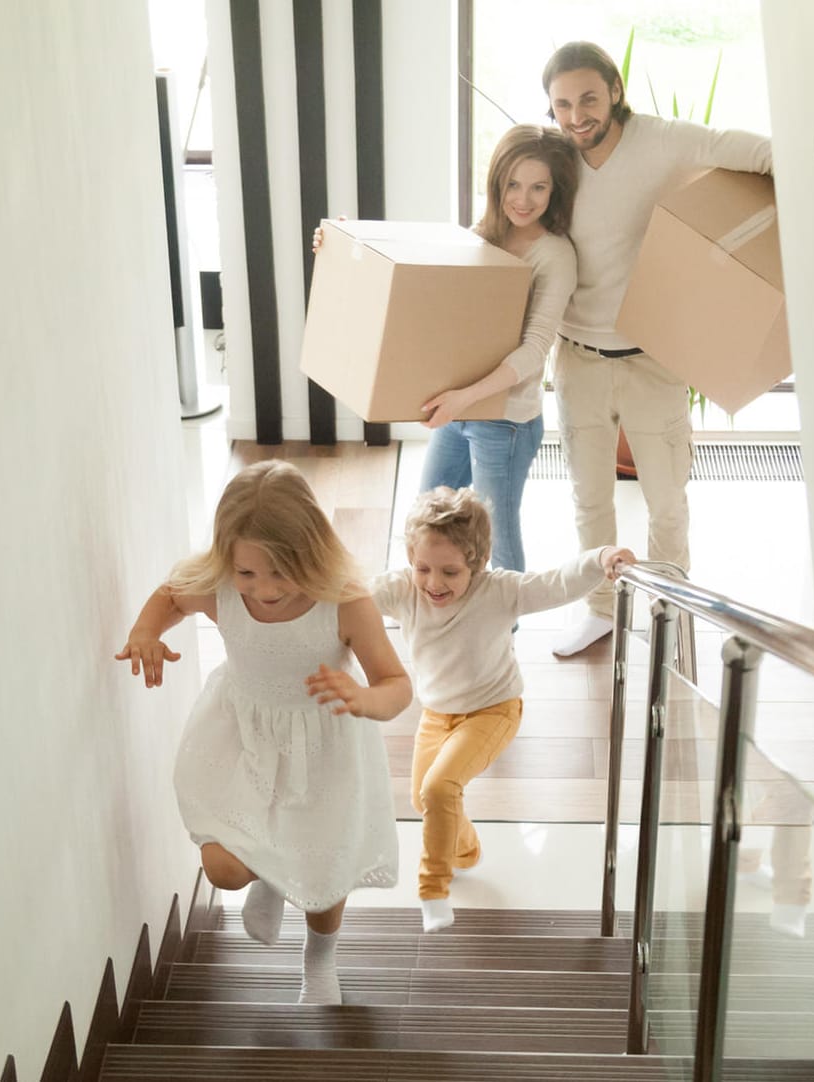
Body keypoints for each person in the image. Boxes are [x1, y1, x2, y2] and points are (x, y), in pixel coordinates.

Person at [114, 460, 412, 1005]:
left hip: (326, 747)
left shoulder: (343, 602)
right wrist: (145, 631)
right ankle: (270, 876)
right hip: (244, 737)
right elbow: (171, 594)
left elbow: (396, 683)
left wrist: (366, 698)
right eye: (247, 572)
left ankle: (319, 960)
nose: (264, 589)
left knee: (323, 867)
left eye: (280, 572)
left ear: (313, 553)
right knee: (224, 868)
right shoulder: (223, 589)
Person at [541, 41, 773, 657]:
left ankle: (672, 607)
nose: (576, 115)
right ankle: (598, 609)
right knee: (589, 500)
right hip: (576, 359)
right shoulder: (553, 158)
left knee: (667, 502)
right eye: (562, 104)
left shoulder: (663, 139)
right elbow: (496, 221)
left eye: (588, 98)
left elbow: (744, 149)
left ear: (615, 91)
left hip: (654, 357)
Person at [314, 124, 580, 574]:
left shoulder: (554, 255)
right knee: (428, 519)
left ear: (556, 190)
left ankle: (503, 636)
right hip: (458, 409)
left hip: (505, 420)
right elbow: (422, 286)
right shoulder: (483, 235)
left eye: (539, 187)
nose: (524, 199)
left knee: (496, 534)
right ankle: (436, 619)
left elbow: (534, 351)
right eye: (513, 183)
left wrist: (463, 398)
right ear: (497, 183)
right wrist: (342, 243)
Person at [369, 486, 634, 931]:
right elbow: (349, 594)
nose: (434, 583)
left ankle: (432, 890)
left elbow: (555, 584)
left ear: (478, 563)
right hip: (435, 714)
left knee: (438, 789)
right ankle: (466, 850)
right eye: (423, 568)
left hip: (493, 710)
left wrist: (600, 557)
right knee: (425, 797)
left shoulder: (499, 591)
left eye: (450, 572)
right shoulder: (402, 589)